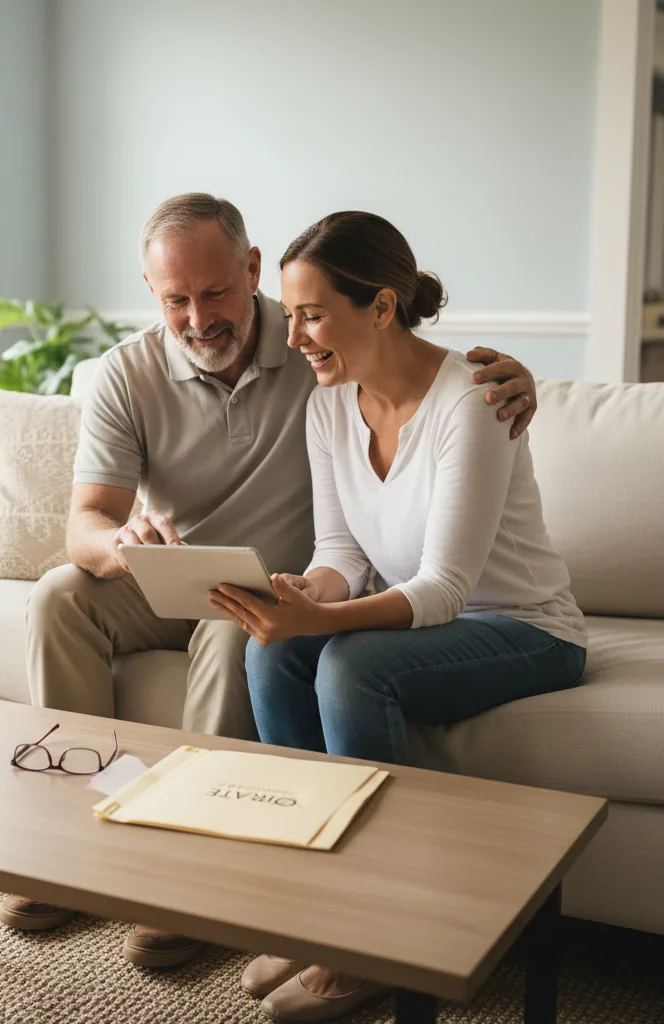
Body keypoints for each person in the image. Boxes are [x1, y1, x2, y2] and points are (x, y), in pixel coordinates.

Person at [8, 194, 540, 970]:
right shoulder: (129, 372)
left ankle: (193, 879)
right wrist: (122, 545)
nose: (198, 317)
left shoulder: (319, 349)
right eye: (174, 300)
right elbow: (85, 520)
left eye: (216, 292)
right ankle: (69, 854)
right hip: (171, 572)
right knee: (59, 594)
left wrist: (522, 380)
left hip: (272, 584)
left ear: (250, 269)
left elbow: (408, 359)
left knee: (247, 636)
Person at [209, 211, 586, 1022]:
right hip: (441, 623)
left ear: (381, 307)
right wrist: (307, 592)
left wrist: (322, 627)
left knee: (349, 664)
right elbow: (342, 550)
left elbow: (446, 587)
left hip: (526, 630)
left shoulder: (473, 399)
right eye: (292, 314)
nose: (297, 335)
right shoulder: (329, 404)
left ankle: (383, 934)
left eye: (313, 314)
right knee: (269, 655)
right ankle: (319, 913)